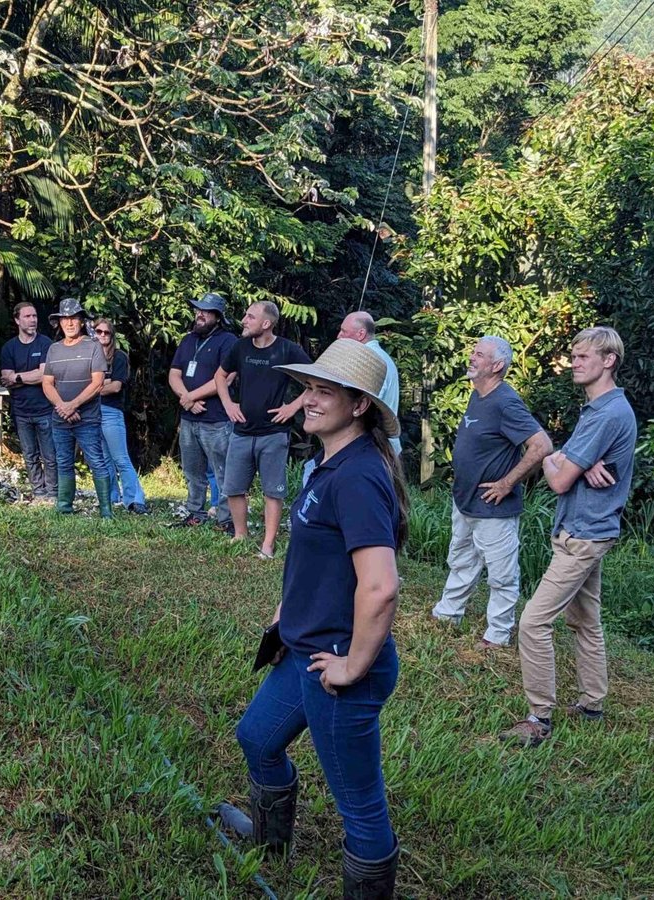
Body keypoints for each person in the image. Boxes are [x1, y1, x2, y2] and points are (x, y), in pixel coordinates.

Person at [218, 338, 408, 899]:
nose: (311, 400)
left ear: (360, 406)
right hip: (304, 649)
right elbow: (318, 561)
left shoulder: (358, 477)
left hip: (338, 667)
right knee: (257, 739)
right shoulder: (327, 463)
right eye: (308, 388)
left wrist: (353, 666)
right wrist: (288, 615)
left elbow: (381, 586)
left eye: (326, 392)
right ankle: (270, 844)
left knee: (360, 806)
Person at [500, 326, 637, 748]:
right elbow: (564, 462)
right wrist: (569, 462)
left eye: (583, 357)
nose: (574, 363)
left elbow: (558, 479)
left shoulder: (608, 414)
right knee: (585, 621)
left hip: (583, 535)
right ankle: (592, 704)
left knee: (533, 622)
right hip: (587, 530)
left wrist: (553, 460)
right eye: (573, 356)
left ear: (608, 360)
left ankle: (539, 717)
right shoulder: (599, 410)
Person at [431, 336, 552, 648]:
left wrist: (506, 483)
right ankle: (448, 614)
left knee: (501, 575)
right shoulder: (479, 394)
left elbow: (541, 445)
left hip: (493, 506)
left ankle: (497, 635)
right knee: (461, 559)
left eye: (480, 354)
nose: (472, 357)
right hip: (466, 500)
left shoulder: (505, 402)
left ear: (497, 365)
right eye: (473, 352)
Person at [215, 301, 310, 559]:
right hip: (241, 431)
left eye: (250, 317)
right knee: (233, 487)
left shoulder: (287, 349)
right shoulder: (240, 347)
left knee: (272, 491)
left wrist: (293, 407)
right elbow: (220, 376)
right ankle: (240, 534)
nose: (244, 320)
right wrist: (228, 404)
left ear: (266, 323)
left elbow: (314, 381)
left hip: (274, 433)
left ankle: (268, 544)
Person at [169, 292, 239, 531]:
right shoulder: (188, 340)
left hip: (216, 419)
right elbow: (174, 374)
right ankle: (195, 513)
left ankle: (226, 519)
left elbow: (226, 378)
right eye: (198, 310)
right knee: (192, 471)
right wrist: (186, 399)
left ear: (218, 317)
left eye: (206, 311)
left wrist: (192, 396)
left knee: (223, 472)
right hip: (189, 417)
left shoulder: (228, 341)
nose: (200, 314)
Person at [41, 298, 112, 517]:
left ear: (81, 321)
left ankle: (106, 511)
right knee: (63, 462)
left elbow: (98, 383)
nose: (69, 323)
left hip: (87, 418)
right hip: (60, 417)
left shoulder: (93, 346)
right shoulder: (54, 349)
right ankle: (64, 508)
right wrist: (62, 407)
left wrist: (73, 405)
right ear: (59, 322)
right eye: (65, 319)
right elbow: (47, 383)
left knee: (96, 461)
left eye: (74, 318)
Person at [0, 301, 55, 504]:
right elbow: (6, 378)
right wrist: (28, 377)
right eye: (28, 316)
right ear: (17, 320)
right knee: (30, 455)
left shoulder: (45, 343)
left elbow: (44, 375)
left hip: (45, 409)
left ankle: (53, 493)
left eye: (34, 316)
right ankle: (38, 492)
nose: (33, 320)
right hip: (21, 411)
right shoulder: (9, 347)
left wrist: (18, 377)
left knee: (50, 456)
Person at [94, 317, 149, 514]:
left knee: (120, 458)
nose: (102, 335)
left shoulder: (119, 357)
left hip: (111, 412)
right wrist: (102, 386)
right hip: (92, 412)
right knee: (103, 459)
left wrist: (91, 389)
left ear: (112, 335)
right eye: (98, 331)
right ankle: (111, 496)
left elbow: (116, 386)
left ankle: (135, 498)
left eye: (106, 332)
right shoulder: (90, 357)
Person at [337, 311, 401, 456]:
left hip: (373, 447)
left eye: (343, 331)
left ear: (361, 334)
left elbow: (361, 408)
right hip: (378, 445)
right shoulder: (381, 356)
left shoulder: (368, 360)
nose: (339, 336)